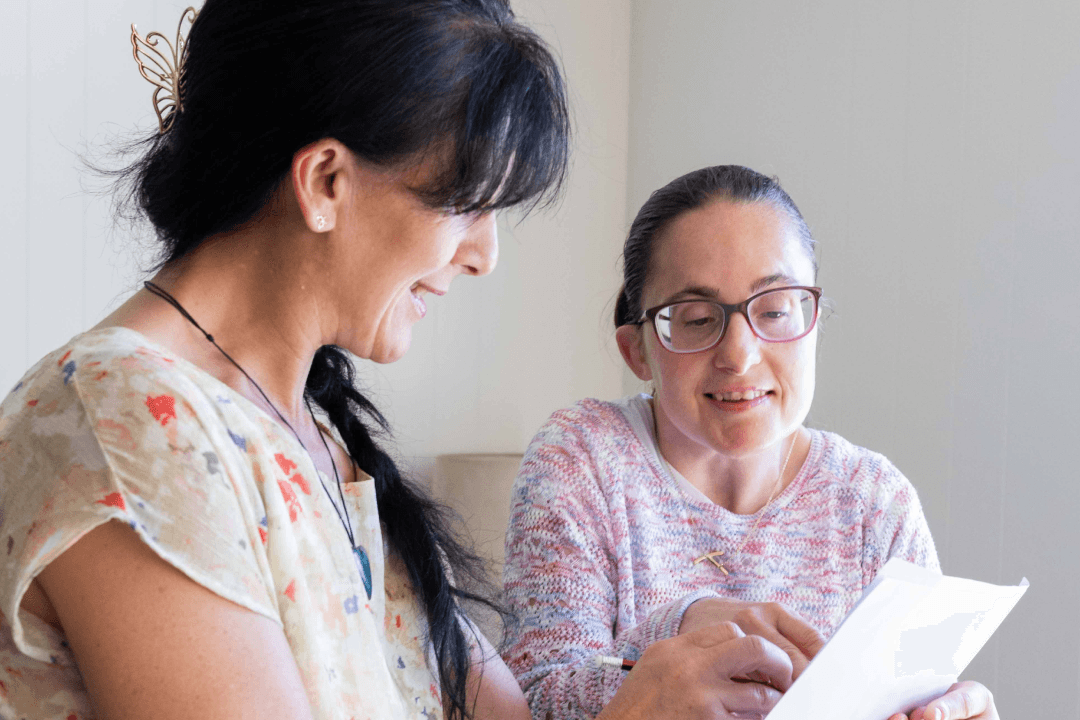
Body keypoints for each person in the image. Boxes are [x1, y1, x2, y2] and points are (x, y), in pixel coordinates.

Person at [0, 5, 807, 720]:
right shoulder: (126, 423)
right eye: (465, 204)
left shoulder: (316, 433)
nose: (485, 255)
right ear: (324, 181)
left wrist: (679, 649)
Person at [502, 165, 1000, 720]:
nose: (738, 355)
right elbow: (530, 701)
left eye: (776, 310)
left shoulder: (874, 501)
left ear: (813, 322)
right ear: (637, 350)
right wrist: (682, 628)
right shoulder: (583, 459)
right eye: (694, 319)